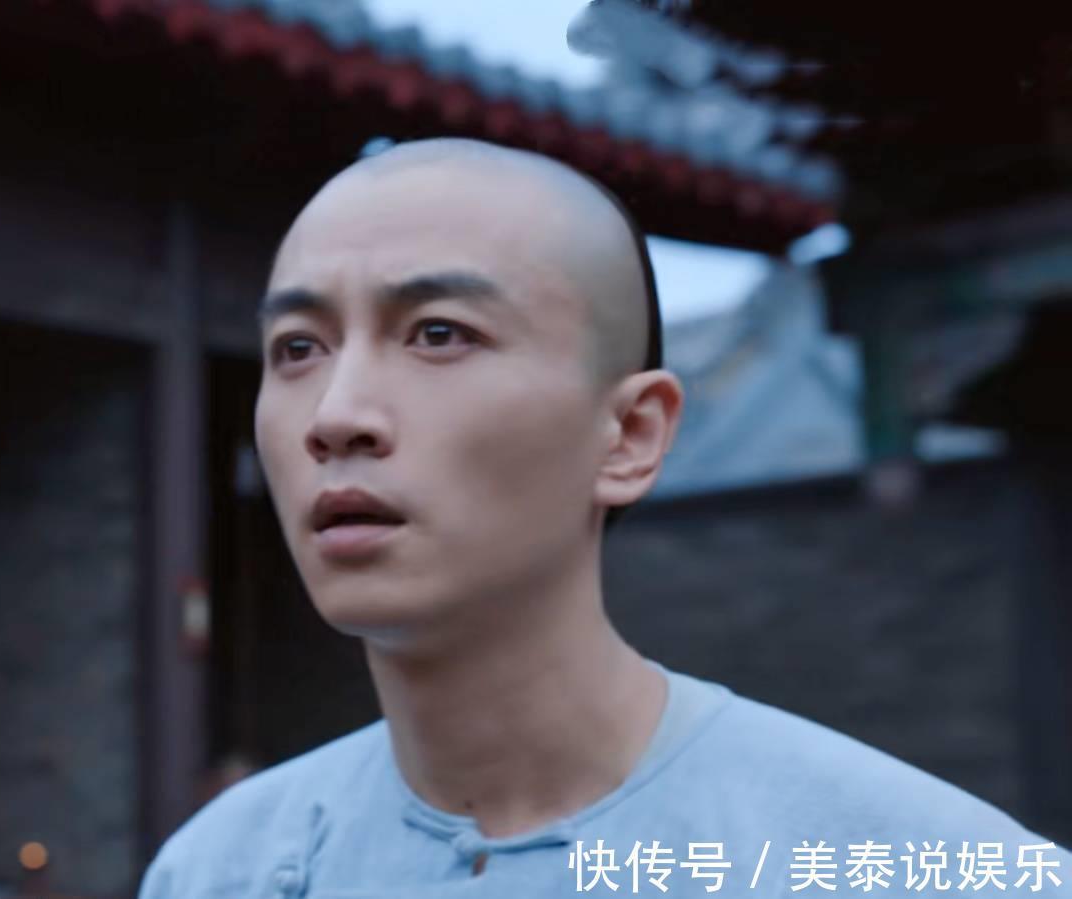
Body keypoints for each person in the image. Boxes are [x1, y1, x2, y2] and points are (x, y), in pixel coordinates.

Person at [137, 139, 1070, 897]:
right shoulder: (219, 869)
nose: (336, 415)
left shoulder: (912, 865)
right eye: (297, 347)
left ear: (628, 433)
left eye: (437, 333)